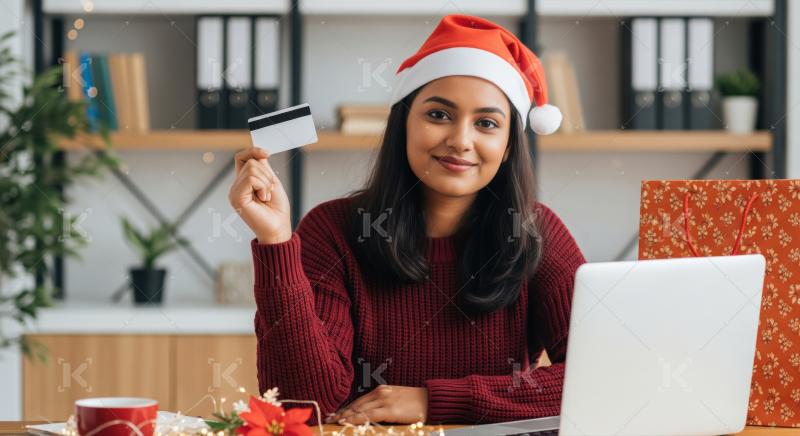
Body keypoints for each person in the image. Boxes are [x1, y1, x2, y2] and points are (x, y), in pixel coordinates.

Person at [228, 14, 585, 425]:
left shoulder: (537, 233)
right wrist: (275, 241)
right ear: (404, 124)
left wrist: (435, 401)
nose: (460, 140)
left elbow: (603, 375)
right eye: (438, 115)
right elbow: (304, 407)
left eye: (486, 123)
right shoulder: (333, 231)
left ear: (507, 146)